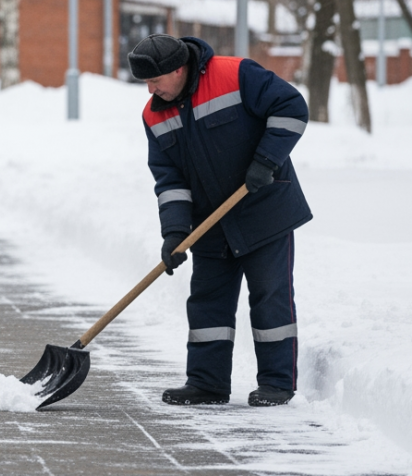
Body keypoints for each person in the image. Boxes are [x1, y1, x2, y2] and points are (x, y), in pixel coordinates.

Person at [129, 34, 311, 407]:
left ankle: (277, 384)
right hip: (210, 223)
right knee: (207, 303)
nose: (150, 89)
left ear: (178, 69)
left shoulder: (236, 74)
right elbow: (170, 180)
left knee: (270, 298)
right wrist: (176, 232)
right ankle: (207, 383)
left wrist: (267, 160)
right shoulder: (154, 115)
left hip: (264, 209)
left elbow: (292, 108)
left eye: (155, 80)